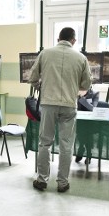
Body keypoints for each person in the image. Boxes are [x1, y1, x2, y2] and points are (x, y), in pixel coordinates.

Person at [29, 27, 92, 193]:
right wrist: (73, 89)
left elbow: (33, 77)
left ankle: (42, 180)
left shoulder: (45, 53)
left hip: (48, 103)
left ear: (58, 38)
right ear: (74, 40)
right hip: (69, 105)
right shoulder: (81, 58)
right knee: (66, 145)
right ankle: (62, 182)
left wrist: (40, 86)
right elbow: (86, 85)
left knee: (45, 142)